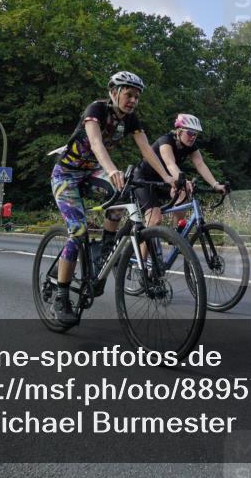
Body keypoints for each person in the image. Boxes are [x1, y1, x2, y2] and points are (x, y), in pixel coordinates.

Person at [49, 71, 179, 326]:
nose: (132, 100)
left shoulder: (131, 119)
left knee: (123, 193)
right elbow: (96, 143)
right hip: (66, 174)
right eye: (128, 94)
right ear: (114, 93)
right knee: (78, 232)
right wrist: (111, 170)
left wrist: (167, 177)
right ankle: (61, 297)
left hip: (91, 172)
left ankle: (107, 247)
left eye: (137, 97)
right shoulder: (96, 109)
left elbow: (146, 151)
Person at [136, 114, 229, 229]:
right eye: (190, 133)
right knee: (155, 221)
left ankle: (176, 234)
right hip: (144, 180)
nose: (193, 137)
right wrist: (184, 181)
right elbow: (170, 164)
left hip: (164, 181)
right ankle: (146, 242)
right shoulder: (166, 141)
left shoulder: (190, 146)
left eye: (196, 134)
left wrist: (215, 184)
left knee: (183, 193)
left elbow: (200, 164)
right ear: (179, 131)